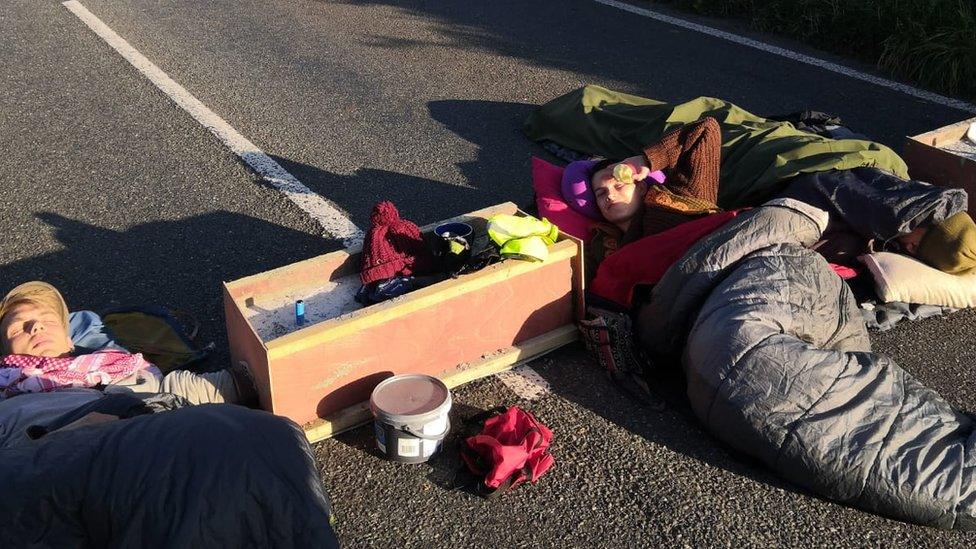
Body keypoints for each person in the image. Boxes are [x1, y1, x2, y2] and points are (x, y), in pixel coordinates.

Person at [0, 281, 256, 405]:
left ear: (69, 339)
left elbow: (166, 389)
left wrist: (247, 382)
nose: (36, 326)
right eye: (18, 327)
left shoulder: (112, 366)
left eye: (47, 319)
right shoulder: (9, 397)